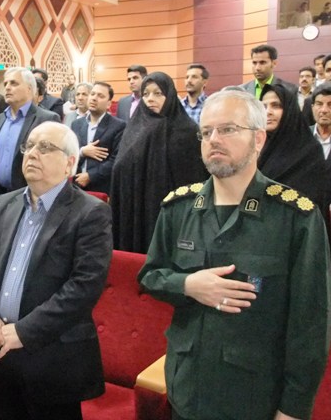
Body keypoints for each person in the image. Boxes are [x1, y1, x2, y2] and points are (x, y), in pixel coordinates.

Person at [138, 89, 330, 420]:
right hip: (187, 387)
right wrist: (188, 285)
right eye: (206, 132)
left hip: (253, 396)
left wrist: (294, 409)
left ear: (258, 139)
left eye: (227, 129)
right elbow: (150, 277)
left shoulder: (295, 217)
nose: (214, 139)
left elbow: (310, 324)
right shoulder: (179, 208)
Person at [0, 121, 112, 420]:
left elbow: (84, 286)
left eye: (45, 148)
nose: (32, 153)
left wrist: (23, 331)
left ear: (69, 163)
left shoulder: (90, 212)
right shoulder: (4, 204)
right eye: (29, 146)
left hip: (52, 360)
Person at [111, 71, 208, 253]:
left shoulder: (187, 131)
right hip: (136, 208)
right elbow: (120, 167)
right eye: (146, 94)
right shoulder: (134, 127)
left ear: (169, 95)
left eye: (158, 93)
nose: (150, 99)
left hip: (171, 209)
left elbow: (194, 179)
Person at [0, 67, 59, 200]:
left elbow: (52, 162)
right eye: (6, 84)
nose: (7, 87)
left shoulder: (46, 119)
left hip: (31, 195)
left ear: (29, 89)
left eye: (14, 83)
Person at [258, 83, 330, 214]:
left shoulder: (309, 151)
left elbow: (313, 202)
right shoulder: (255, 146)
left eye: (276, 106)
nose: (268, 112)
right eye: (263, 106)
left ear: (289, 109)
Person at [71, 82, 125, 194]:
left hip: (103, 188)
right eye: (92, 94)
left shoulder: (118, 126)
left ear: (109, 104)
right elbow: (69, 153)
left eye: (100, 96)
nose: (94, 98)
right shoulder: (76, 124)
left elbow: (116, 159)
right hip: (76, 186)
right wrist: (82, 152)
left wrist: (90, 176)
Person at [311, 83, 331, 162]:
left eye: (330, 105)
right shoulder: (301, 136)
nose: (324, 110)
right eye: (319, 104)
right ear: (312, 107)